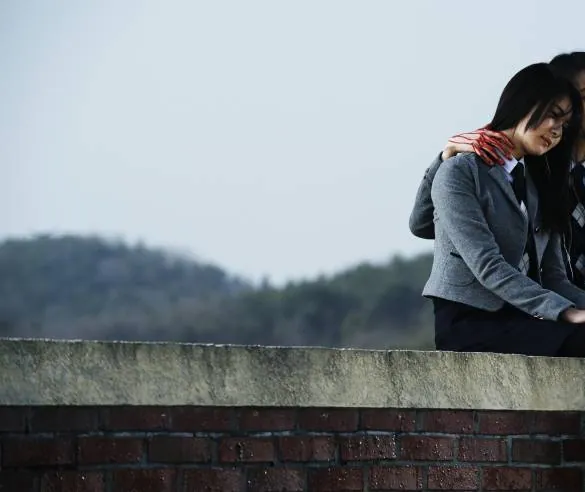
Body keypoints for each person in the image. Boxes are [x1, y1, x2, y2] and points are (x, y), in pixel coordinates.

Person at [415, 62, 585, 356]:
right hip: (470, 322)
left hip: (523, 316)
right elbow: (487, 265)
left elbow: (554, 277)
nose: (557, 131)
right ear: (525, 102)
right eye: (553, 116)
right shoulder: (461, 171)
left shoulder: (540, 183)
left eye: (564, 126)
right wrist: (565, 312)